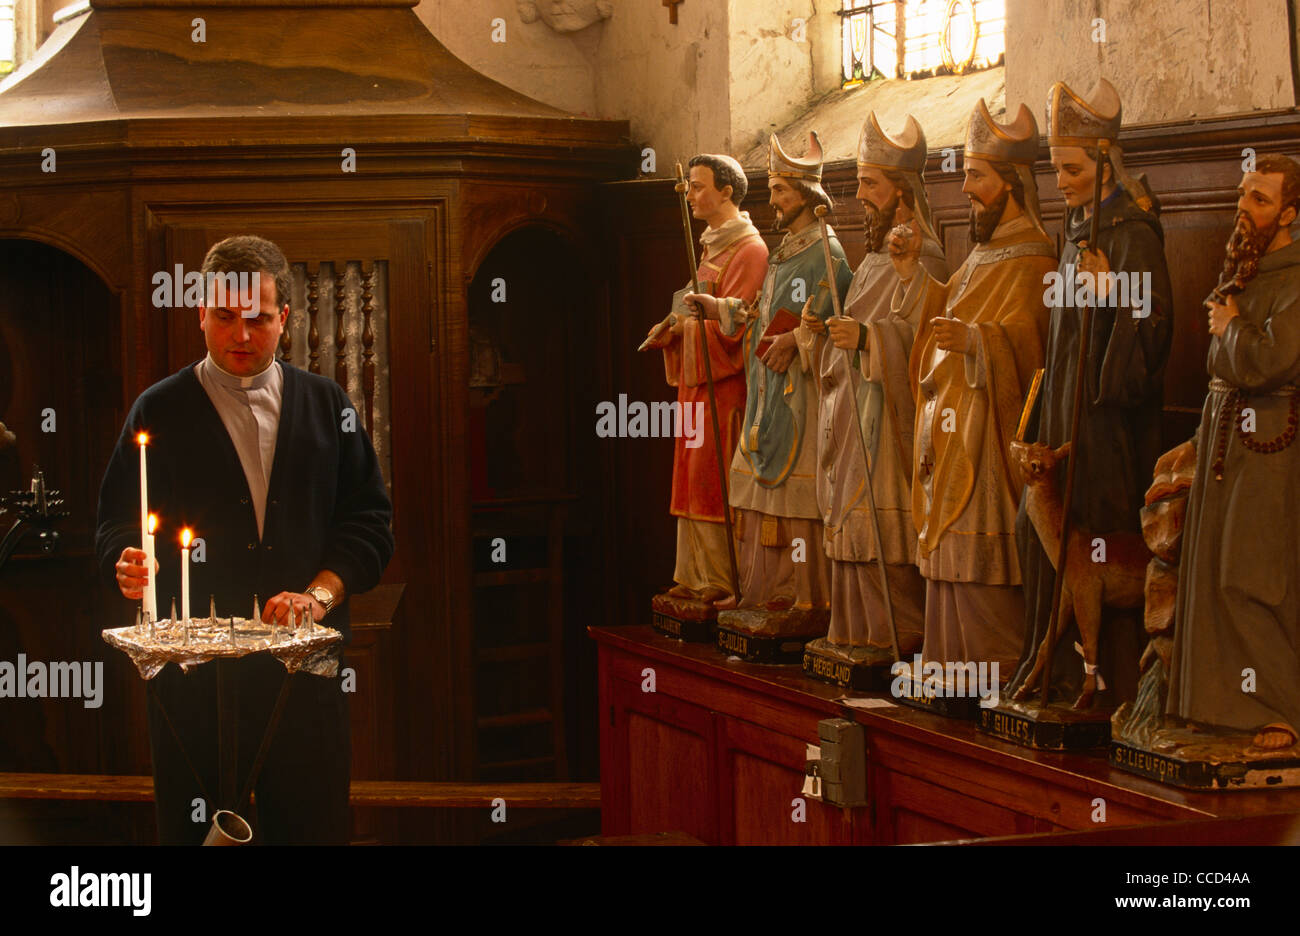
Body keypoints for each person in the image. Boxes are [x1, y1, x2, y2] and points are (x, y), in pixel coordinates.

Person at [95, 235, 394, 844]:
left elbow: (369, 525)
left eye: (257, 319)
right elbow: (117, 524)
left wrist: (318, 596)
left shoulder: (327, 403)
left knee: (312, 828)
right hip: (193, 680)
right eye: (225, 318)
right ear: (200, 313)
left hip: (301, 670)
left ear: (284, 318)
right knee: (194, 832)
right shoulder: (158, 409)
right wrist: (123, 561)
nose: (241, 334)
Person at [1006, 78, 1173, 707]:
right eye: (1054, 170)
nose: (1061, 183)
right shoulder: (1076, 231)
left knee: (1100, 547)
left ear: (1104, 160)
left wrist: (1115, 295)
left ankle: (1104, 686)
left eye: (1072, 169)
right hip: (1064, 415)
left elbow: (1154, 333)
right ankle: (1053, 670)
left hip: (1107, 429)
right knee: (1038, 529)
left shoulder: (1133, 235)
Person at [889, 100, 1055, 679]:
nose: (966, 189)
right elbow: (946, 305)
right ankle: (950, 659)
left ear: (1011, 183)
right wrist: (913, 275)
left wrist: (979, 343)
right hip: (950, 423)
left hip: (986, 432)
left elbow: (1031, 346)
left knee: (977, 548)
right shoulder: (984, 251)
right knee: (946, 548)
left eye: (977, 176)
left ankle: (992, 662)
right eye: (965, 176)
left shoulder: (1035, 256)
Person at [798, 112, 948, 664]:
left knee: (878, 522)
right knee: (847, 514)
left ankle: (892, 634)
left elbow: (924, 339)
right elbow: (853, 326)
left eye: (869, 184)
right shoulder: (872, 259)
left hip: (886, 417)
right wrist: (822, 336)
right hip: (851, 407)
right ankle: (853, 631)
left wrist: (865, 338)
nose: (858, 195)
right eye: (859, 182)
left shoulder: (923, 257)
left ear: (902, 191)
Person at [687, 132, 850, 628]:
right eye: (773, 189)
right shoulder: (784, 251)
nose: (773, 200)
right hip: (766, 389)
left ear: (806, 195)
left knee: (796, 503)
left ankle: (805, 600)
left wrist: (797, 341)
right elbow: (761, 313)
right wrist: (720, 309)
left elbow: (829, 323)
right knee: (757, 495)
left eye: (781, 190)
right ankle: (760, 590)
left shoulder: (827, 252)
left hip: (798, 392)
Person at [1165, 154, 1300, 751]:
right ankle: (1223, 705)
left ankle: (1279, 708)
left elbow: (1272, 362)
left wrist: (1236, 328)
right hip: (1227, 440)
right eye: (1243, 195)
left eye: (1261, 200)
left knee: (1253, 574)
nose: (1244, 209)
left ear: (1290, 213)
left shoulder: (1296, 278)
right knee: (1214, 572)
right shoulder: (1241, 275)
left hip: (1272, 443)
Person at [643, 153, 767, 604]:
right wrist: (672, 331)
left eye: (698, 187)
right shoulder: (714, 244)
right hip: (697, 388)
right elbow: (696, 311)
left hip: (724, 389)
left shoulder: (749, 250)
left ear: (727, 191)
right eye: (690, 187)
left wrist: (689, 330)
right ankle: (693, 575)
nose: (691, 195)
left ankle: (720, 578)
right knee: (689, 478)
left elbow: (739, 326)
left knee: (712, 479)